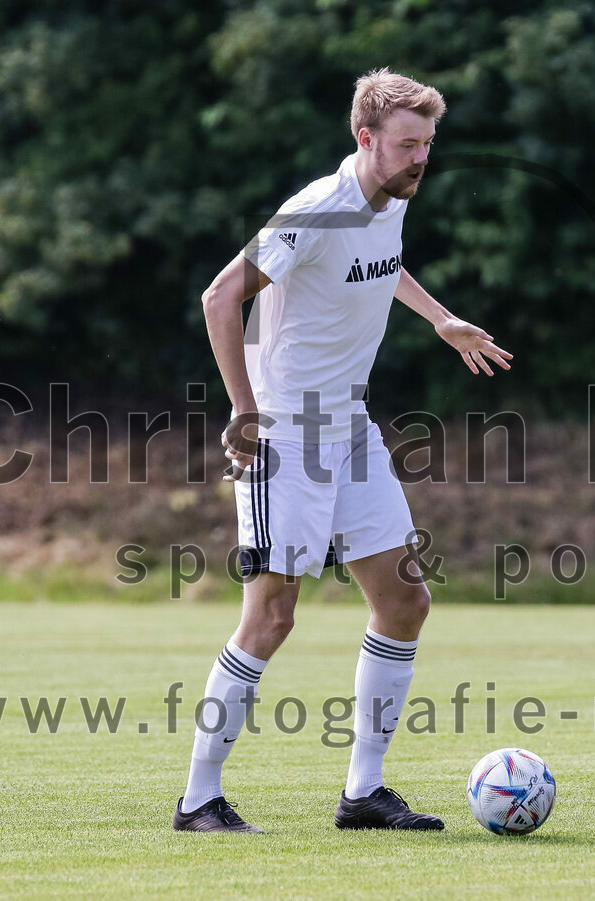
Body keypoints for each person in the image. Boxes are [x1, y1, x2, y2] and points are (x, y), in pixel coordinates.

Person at [173, 68, 512, 833]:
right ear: (365, 139)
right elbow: (222, 295)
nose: (421, 158)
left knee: (405, 599)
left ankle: (363, 792)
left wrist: (441, 318)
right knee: (272, 617)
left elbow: (381, 264)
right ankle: (199, 799)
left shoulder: (387, 198)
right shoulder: (318, 210)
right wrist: (243, 408)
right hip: (283, 433)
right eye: (407, 145)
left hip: (349, 427)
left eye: (428, 143)